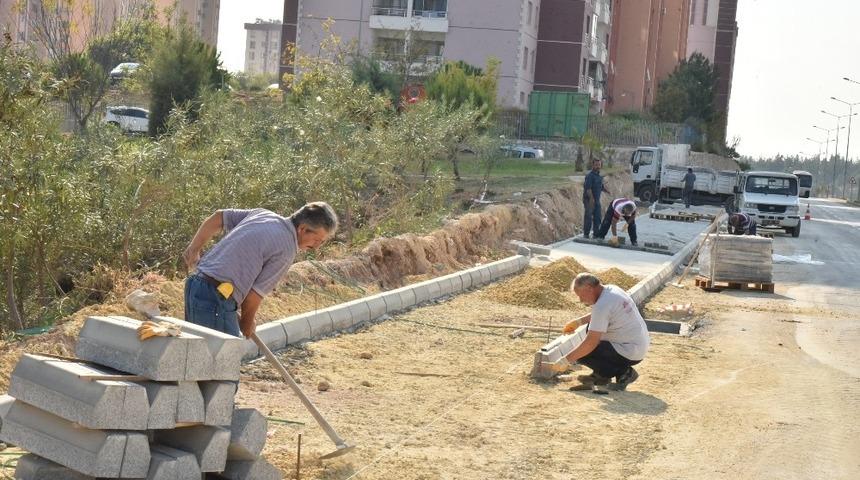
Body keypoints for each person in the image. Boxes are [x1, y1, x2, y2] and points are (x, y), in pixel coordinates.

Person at [183, 202, 338, 338]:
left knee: (199, 357)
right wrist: (247, 323)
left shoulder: (263, 215)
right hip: (215, 299)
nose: (316, 247)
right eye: (317, 240)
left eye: (322, 242)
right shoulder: (286, 249)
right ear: (303, 229)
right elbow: (254, 296)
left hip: (196, 285)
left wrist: (194, 249)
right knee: (219, 364)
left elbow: (218, 217)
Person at [556, 273, 650, 391]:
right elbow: (603, 314)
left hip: (630, 351)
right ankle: (602, 375)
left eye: (581, 295)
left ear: (589, 288)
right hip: (637, 345)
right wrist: (578, 322)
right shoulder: (612, 290)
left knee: (585, 353)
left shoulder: (603, 305)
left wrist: (566, 360)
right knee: (590, 329)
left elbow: (591, 342)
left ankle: (625, 372)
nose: (580, 300)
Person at [582, 159, 611, 238]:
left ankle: (596, 234)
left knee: (597, 217)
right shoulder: (590, 176)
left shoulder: (599, 176)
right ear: (593, 165)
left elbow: (600, 187)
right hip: (589, 200)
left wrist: (606, 190)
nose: (598, 166)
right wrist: (592, 199)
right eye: (596, 165)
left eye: (599, 165)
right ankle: (586, 234)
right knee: (588, 217)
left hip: (596, 200)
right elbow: (588, 189)